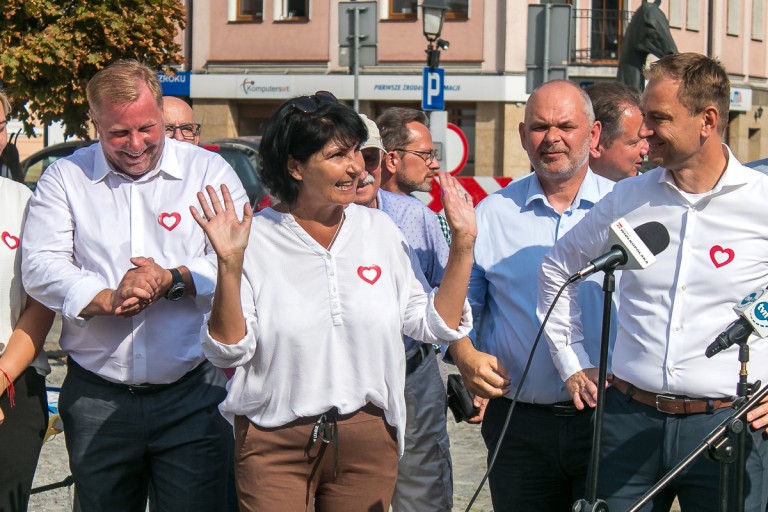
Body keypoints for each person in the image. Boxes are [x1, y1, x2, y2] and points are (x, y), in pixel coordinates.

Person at [193, 91, 475, 512]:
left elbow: (432, 324)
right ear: (295, 167)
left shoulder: (380, 229)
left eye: (356, 153)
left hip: (367, 440)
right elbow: (229, 348)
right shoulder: (253, 238)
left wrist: (463, 247)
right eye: (338, 155)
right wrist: (229, 265)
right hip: (274, 442)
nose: (357, 167)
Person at [538, 53, 768, 512]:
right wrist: (571, 359)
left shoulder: (761, 201)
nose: (644, 132)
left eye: (659, 118)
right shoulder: (629, 197)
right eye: (644, 117)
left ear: (708, 120)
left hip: (730, 425)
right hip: (629, 419)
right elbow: (558, 268)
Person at [21, 60, 247, 511]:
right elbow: (41, 266)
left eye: (147, 127)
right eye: (118, 133)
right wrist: (106, 297)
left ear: (162, 113)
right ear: (95, 124)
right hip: (97, 394)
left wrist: (172, 280)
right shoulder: (65, 177)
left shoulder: (209, 173)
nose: (136, 144)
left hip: (193, 392)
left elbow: (240, 258)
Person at [447, 79, 615, 511]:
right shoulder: (493, 214)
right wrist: (464, 355)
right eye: (539, 127)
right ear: (523, 136)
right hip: (519, 427)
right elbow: (460, 310)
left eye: (566, 126)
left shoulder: (624, 209)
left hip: (611, 422)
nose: (552, 138)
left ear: (593, 135)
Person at [354, 114, 453, 511]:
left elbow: (445, 298)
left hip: (413, 370)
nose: (360, 171)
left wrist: (462, 354)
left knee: (422, 487)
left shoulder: (416, 218)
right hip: (350, 381)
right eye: (348, 157)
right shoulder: (307, 223)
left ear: (383, 161)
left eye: (370, 159)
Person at [0, 90, 55, 512]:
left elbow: (41, 302)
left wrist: (2, 378)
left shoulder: (24, 203)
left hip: (13, 380)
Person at [586, 81, 649, 181]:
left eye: (647, 139)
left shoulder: (653, 193)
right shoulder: (557, 192)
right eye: (634, 143)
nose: (646, 150)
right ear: (595, 141)